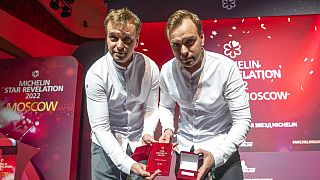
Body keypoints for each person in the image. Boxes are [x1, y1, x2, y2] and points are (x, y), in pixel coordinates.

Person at [158, 10, 251, 180]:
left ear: (202, 37)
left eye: (189, 41)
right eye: (176, 45)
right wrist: (167, 129)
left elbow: (243, 120)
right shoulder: (166, 71)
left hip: (222, 150)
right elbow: (165, 106)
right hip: (185, 151)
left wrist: (217, 155)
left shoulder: (225, 68)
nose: (184, 51)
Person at [85, 8, 159, 180]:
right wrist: (128, 164)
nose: (119, 46)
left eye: (126, 39)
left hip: (138, 142)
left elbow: (151, 109)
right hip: (104, 144)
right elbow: (101, 128)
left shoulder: (150, 68)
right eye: (113, 38)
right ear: (107, 37)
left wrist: (148, 133)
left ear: (137, 40)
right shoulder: (96, 74)